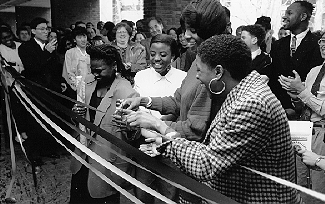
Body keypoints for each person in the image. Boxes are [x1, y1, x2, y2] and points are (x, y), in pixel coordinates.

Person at [127, 35, 301, 204]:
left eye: (200, 71)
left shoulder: (251, 104)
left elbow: (208, 163)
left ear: (218, 71)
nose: (196, 77)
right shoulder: (242, 91)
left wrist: (158, 124)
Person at [117, 0, 229, 204]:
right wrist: (144, 101)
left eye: (193, 31)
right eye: (186, 29)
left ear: (212, 32)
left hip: (195, 164)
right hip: (180, 153)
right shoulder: (198, 59)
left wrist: (153, 123)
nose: (186, 36)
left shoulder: (212, 70)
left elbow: (195, 130)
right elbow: (178, 101)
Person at [69, 44, 139, 204]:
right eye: (92, 69)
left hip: (107, 164)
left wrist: (128, 126)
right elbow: (80, 121)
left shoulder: (126, 92)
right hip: (82, 160)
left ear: (114, 66)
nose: (94, 74)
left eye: (99, 70)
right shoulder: (87, 82)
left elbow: (134, 134)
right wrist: (76, 114)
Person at [133, 34, 186, 202]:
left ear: (173, 56)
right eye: (153, 53)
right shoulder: (141, 76)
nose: (157, 59)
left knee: (169, 194)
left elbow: (179, 111)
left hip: (170, 145)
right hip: (145, 143)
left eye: (163, 55)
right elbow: (139, 110)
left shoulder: (183, 78)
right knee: (142, 192)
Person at [278, 32, 325, 204]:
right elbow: (304, 106)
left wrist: (301, 91)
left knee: (319, 187)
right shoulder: (314, 71)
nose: (323, 45)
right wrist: (295, 95)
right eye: (322, 40)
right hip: (305, 131)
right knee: (301, 185)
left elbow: (323, 109)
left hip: (322, 135)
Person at [18, 17, 60, 166]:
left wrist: (60, 82)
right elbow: (32, 68)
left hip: (50, 90)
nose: (46, 31)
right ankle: (34, 154)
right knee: (35, 122)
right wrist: (46, 53)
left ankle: (47, 149)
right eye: (42, 29)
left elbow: (54, 68)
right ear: (33, 31)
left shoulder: (50, 45)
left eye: (47, 29)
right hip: (35, 91)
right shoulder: (25, 47)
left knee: (49, 119)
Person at [269, 0, 323, 112]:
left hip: (308, 111)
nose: (285, 17)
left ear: (303, 16)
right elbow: (273, 79)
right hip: (280, 110)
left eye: (290, 13)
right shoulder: (278, 45)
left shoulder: (318, 45)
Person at [62, 27, 91, 95]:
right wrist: (78, 87)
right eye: (79, 37)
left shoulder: (91, 51)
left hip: (91, 85)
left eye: (84, 37)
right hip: (77, 87)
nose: (83, 40)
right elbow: (69, 72)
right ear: (74, 40)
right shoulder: (70, 53)